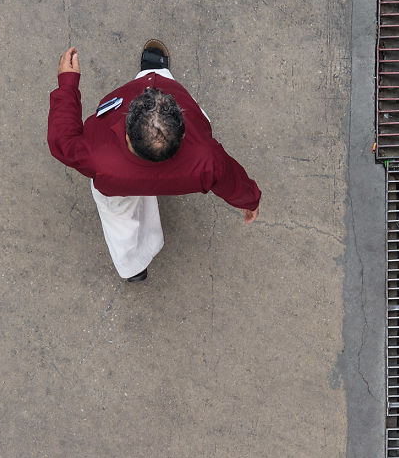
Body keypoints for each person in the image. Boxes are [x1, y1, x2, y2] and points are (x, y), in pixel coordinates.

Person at [48, 41, 261, 282]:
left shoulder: (98, 158)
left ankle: (133, 268)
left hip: (117, 185)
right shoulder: (206, 157)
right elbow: (229, 176)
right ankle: (157, 72)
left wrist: (67, 83)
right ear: (182, 134)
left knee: (119, 222)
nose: (155, 90)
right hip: (175, 177)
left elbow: (62, 140)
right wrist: (249, 199)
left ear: (128, 135)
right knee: (163, 83)